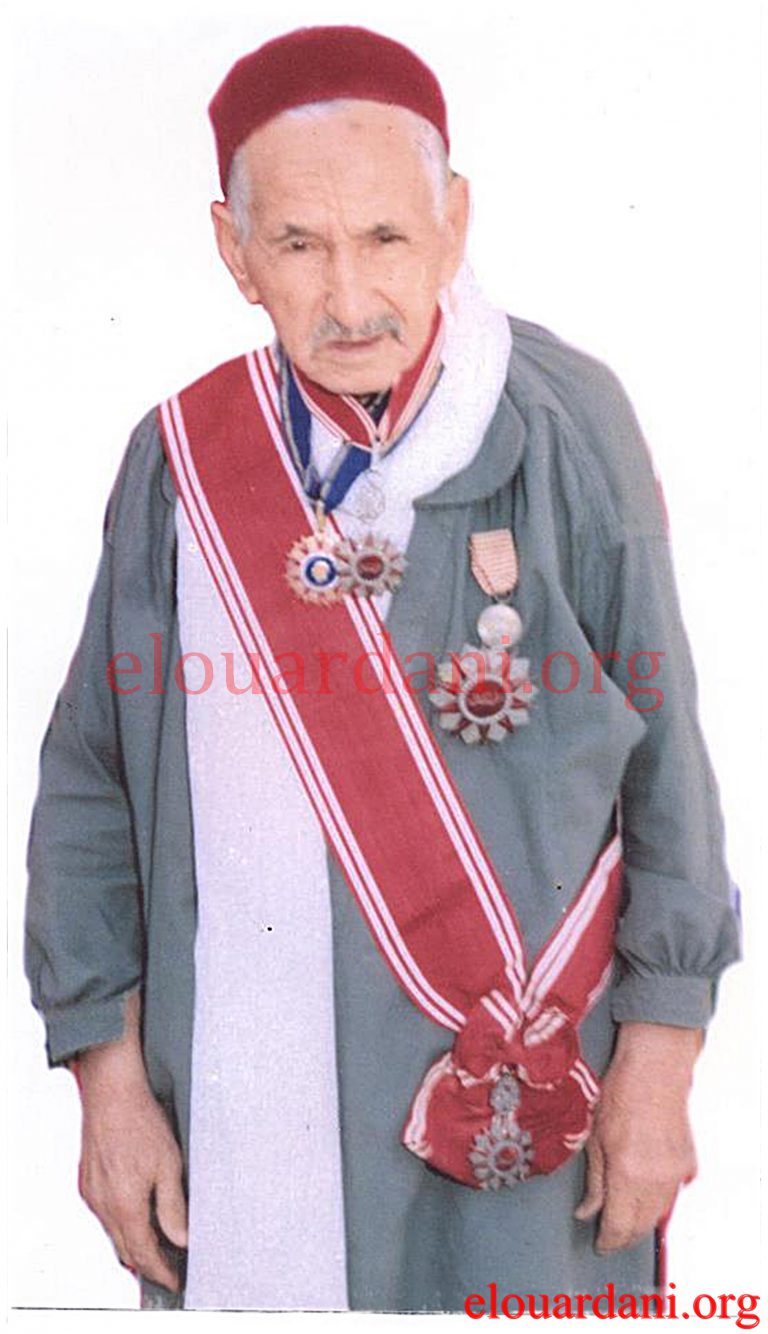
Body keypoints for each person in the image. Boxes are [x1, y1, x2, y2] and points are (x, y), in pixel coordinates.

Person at [24, 25, 741, 1314]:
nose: (350, 299)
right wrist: (110, 1085)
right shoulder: (183, 458)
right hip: (239, 1106)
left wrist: (662, 1066)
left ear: (455, 224)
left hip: (520, 1109)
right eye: (299, 246)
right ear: (234, 253)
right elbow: (88, 780)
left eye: (387, 240)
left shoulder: (573, 425)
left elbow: (670, 767)